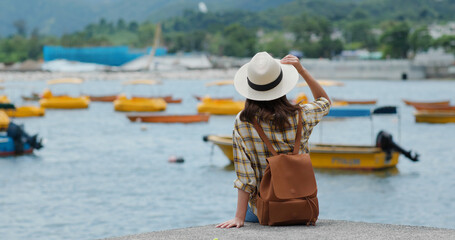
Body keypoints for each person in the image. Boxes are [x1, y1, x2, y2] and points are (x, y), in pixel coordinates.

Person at [216, 52, 331, 228]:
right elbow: (324, 101)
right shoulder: (302, 115)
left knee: (252, 210)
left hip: (265, 209)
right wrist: (302, 70)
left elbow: (246, 177)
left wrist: (239, 217)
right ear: (282, 86)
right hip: (303, 205)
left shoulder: (244, 121)